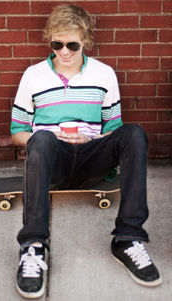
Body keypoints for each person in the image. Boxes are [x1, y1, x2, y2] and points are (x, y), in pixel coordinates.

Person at [11, 4, 162, 299]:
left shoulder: (104, 74)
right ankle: (33, 246)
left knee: (133, 133)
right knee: (39, 138)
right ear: (49, 40)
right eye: (57, 44)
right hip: (52, 160)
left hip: (92, 156)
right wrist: (51, 136)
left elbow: (114, 128)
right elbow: (18, 134)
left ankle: (128, 239)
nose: (64, 52)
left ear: (86, 41)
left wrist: (88, 138)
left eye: (72, 44)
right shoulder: (33, 75)